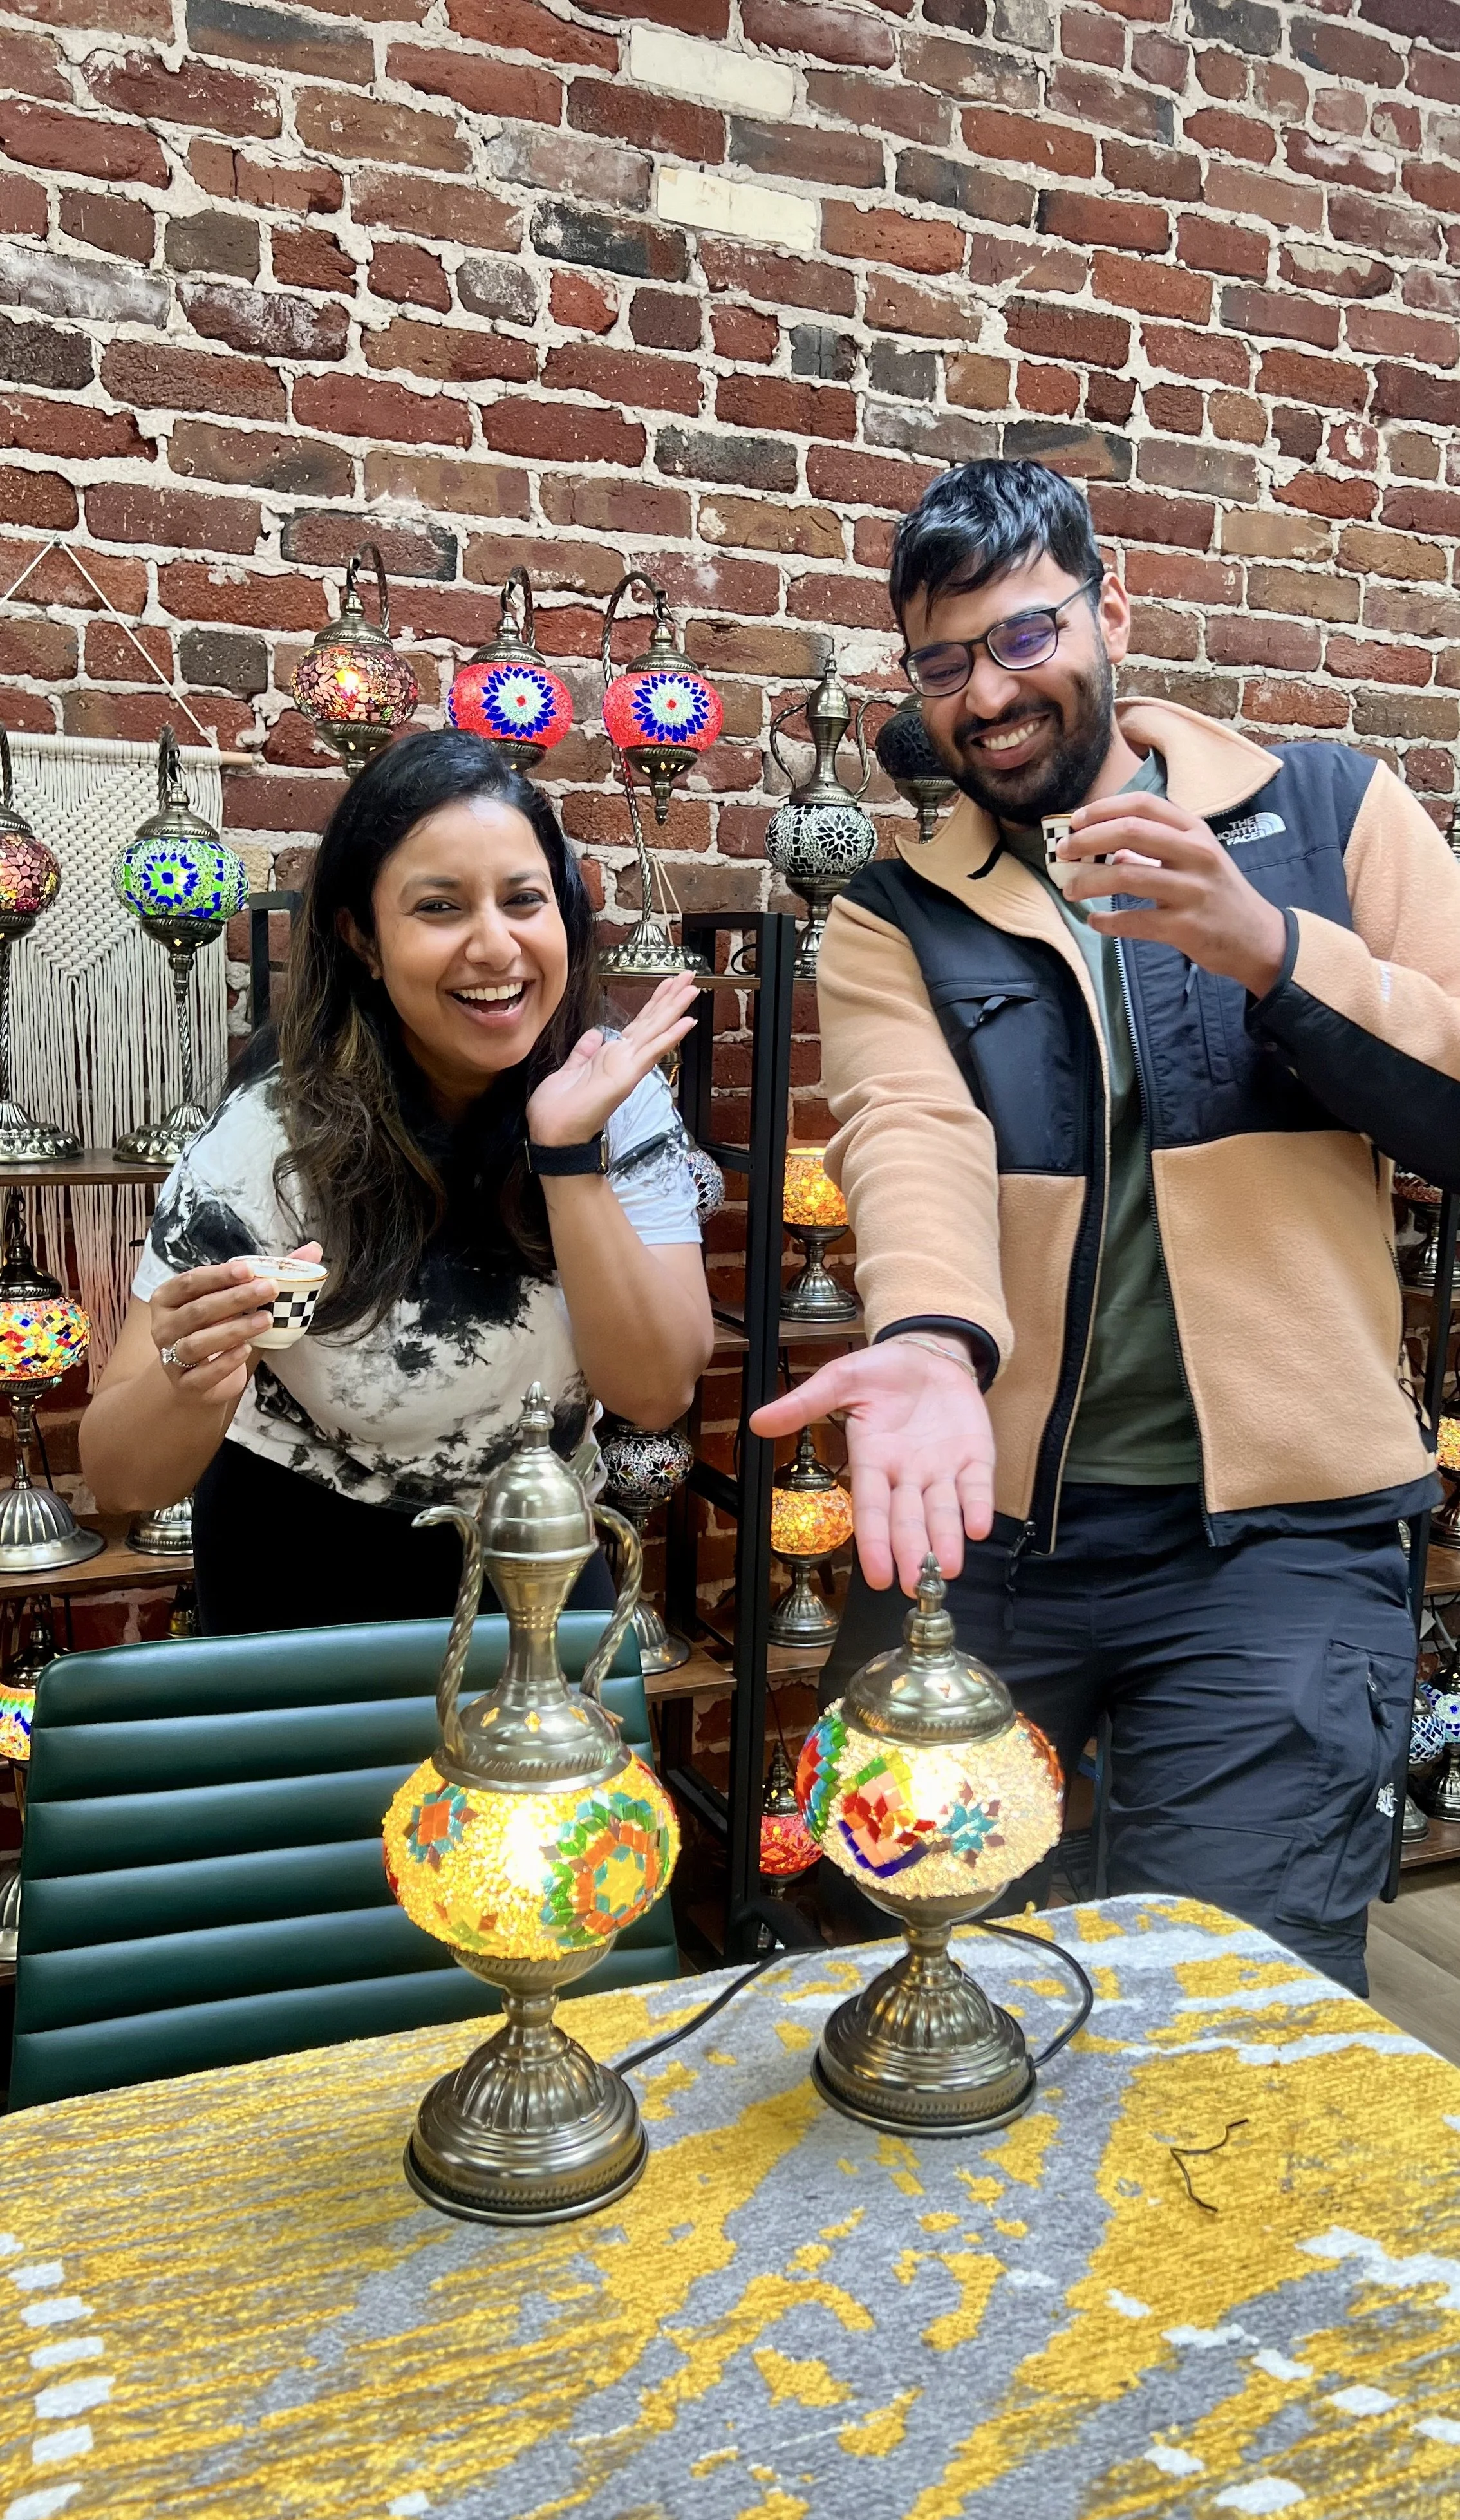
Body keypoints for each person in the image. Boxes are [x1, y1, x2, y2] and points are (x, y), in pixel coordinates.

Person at [754, 456, 1460, 1994]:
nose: (987, 695)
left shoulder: (1327, 812)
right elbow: (909, 1132)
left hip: (1284, 1542)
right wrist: (933, 1344)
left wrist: (1277, 953)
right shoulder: (896, 912)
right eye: (943, 664)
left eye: (1021, 639)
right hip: (987, 1534)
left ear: (1110, 609)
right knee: (929, 1975)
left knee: (1222, 1996)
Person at [82, 731, 714, 1632]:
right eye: (440, 908)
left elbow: (655, 1392)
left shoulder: (615, 1094)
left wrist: (568, 1155)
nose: (496, 946)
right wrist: (189, 1378)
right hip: (298, 1572)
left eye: (524, 900)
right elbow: (119, 1476)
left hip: (535, 1559)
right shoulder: (273, 1130)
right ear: (363, 939)